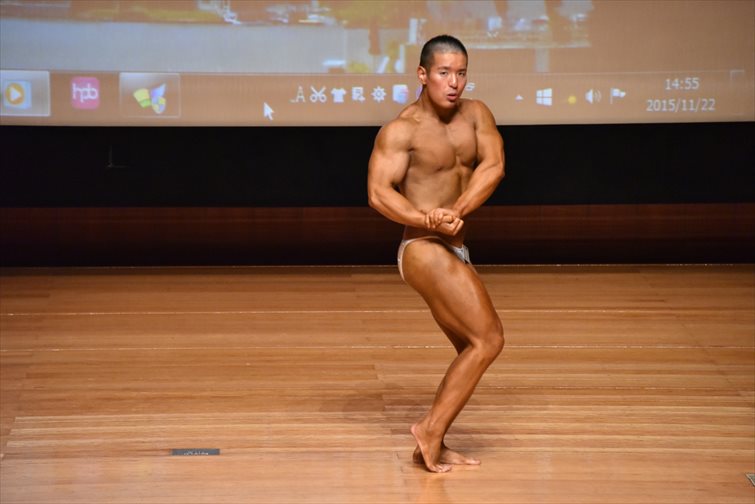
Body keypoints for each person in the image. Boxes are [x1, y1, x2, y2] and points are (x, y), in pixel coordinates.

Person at [367, 34, 505, 473]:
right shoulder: (402, 129)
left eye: (461, 73)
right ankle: (428, 429)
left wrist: (457, 210)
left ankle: (435, 441)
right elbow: (378, 192)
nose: (454, 82)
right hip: (422, 248)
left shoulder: (477, 114)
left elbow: (494, 165)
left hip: (456, 247)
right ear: (423, 75)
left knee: (471, 347)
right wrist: (426, 219)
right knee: (489, 339)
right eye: (444, 73)